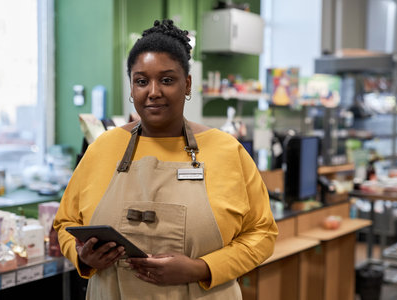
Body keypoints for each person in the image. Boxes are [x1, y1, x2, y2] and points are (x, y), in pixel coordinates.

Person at [54, 19, 278, 299]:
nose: (153, 92)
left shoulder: (226, 151)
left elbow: (262, 234)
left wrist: (202, 268)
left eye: (167, 80)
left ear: (187, 84)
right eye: (141, 81)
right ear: (132, 87)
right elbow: (64, 224)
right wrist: (84, 258)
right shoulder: (102, 148)